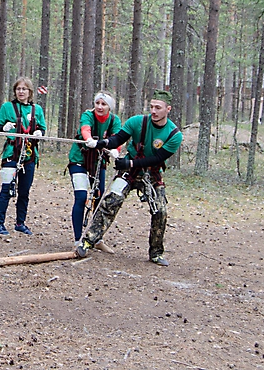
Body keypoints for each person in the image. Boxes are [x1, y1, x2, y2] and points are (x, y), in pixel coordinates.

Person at [75, 89, 183, 266]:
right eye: (152, 107)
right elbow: (117, 139)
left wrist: (129, 163)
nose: (154, 111)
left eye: (158, 108)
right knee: (111, 201)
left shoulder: (174, 135)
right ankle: (88, 241)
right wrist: (102, 143)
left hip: (151, 174)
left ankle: (156, 252)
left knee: (160, 211)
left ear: (168, 109)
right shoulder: (137, 122)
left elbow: (157, 158)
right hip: (129, 172)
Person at [67, 91, 122, 253]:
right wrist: (89, 139)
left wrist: (116, 150)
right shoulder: (88, 115)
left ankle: (96, 238)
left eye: (103, 104)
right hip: (79, 160)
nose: (99, 106)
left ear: (109, 107)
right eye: (97, 103)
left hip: (99, 162)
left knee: (99, 198)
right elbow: (85, 129)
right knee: (82, 196)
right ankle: (78, 239)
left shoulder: (114, 120)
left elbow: (118, 138)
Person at [0, 77, 47, 236]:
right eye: (18, 89)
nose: (21, 92)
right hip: (12, 153)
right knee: (7, 188)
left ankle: (20, 223)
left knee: (24, 191)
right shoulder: (7, 107)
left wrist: (40, 133)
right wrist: (5, 127)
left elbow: (42, 129)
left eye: (24, 89)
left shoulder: (37, 110)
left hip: (29, 155)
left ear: (30, 92)